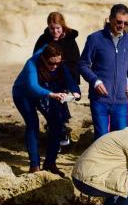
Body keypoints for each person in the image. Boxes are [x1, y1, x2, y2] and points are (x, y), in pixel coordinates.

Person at [12, 43, 80, 175]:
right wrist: (51, 94)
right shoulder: (32, 63)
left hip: (45, 93)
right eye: (51, 63)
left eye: (57, 63)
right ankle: (34, 166)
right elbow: (32, 86)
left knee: (57, 124)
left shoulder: (58, 63)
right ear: (44, 58)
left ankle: (50, 163)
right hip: (23, 95)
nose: (54, 66)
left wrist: (75, 92)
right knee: (33, 124)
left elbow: (68, 77)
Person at [79, 4, 128, 139]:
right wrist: (95, 81)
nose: (122, 26)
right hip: (99, 99)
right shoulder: (95, 38)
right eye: (119, 22)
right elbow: (83, 64)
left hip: (121, 100)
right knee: (102, 138)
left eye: (125, 23)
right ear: (110, 19)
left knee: (119, 139)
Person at [33, 12, 81, 147]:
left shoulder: (70, 40)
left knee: (58, 105)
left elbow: (74, 62)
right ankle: (58, 134)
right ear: (48, 27)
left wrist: (73, 86)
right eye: (52, 28)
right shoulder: (43, 39)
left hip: (64, 80)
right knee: (51, 107)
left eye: (58, 28)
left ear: (63, 26)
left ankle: (61, 134)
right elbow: (36, 58)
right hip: (46, 79)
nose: (55, 31)